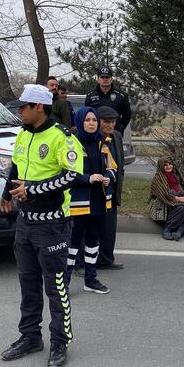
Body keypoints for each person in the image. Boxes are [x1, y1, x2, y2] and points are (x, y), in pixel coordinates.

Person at [0, 84, 82, 367]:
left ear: (39, 108)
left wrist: (32, 189)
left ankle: (60, 341)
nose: (19, 110)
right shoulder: (23, 134)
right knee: (28, 284)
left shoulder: (62, 137)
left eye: (24, 106)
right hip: (25, 225)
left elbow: (72, 176)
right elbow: (16, 168)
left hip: (53, 226)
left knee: (56, 288)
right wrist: (6, 193)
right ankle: (30, 336)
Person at [65, 106, 117, 294]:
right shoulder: (72, 144)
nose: (91, 123)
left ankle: (90, 280)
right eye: (87, 120)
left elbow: (112, 167)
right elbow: (67, 173)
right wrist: (88, 178)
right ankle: (65, 282)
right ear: (80, 122)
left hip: (99, 200)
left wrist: (108, 177)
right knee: (73, 242)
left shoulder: (103, 143)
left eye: (94, 120)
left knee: (94, 240)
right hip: (79, 202)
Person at [96, 106, 125, 269]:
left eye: (113, 122)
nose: (111, 125)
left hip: (112, 190)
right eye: (107, 122)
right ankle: (81, 262)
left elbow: (119, 163)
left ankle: (106, 259)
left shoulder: (117, 137)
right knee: (90, 228)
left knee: (109, 227)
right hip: (96, 190)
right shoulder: (93, 138)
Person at [149, 157, 184, 241]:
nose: (169, 167)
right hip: (164, 207)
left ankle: (180, 231)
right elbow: (165, 196)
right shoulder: (158, 178)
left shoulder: (175, 176)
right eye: (165, 165)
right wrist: (181, 200)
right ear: (161, 166)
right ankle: (167, 229)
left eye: (170, 164)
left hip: (177, 205)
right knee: (183, 208)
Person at [84, 67, 132, 134]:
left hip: (114, 132)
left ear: (111, 79)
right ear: (98, 79)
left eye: (107, 77)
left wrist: (120, 128)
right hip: (95, 133)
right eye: (102, 77)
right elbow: (87, 114)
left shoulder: (121, 96)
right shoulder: (90, 95)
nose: (105, 79)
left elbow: (127, 115)